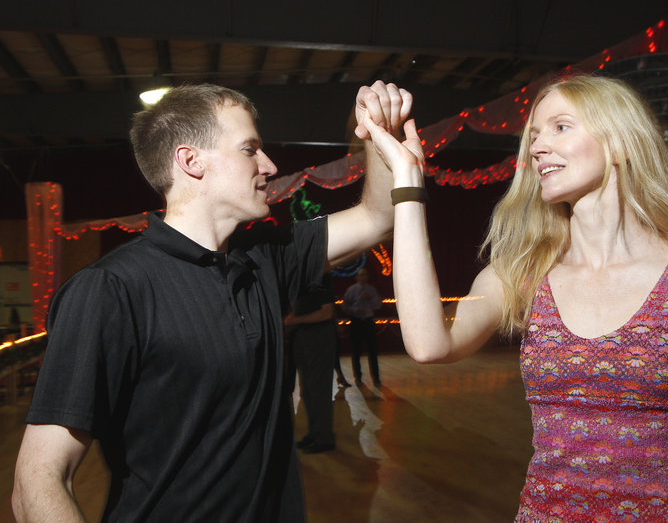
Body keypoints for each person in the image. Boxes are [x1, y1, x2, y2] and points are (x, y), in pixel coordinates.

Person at [361, 74, 668, 521]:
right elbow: (429, 344)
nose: (536, 147)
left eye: (560, 127)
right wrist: (408, 184)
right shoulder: (525, 274)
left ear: (621, 143)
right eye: (533, 136)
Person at [12, 81, 411, 522]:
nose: (269, 164)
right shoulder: (110, 289)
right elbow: (38, 481)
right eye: (249, 149)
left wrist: (377, 135)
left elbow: (379, 217)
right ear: (191, 161)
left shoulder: (266, 255)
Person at [285, 275, 338, 454]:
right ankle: (315, 434)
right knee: (308, 390)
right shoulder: (302, 279)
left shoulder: (318, 277)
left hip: (318, 338)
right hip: (304, 338)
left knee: (318, 390)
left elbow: (326, 312)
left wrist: (294, 321)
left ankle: (324, 438)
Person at [341, 267, 383, 385]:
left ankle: (376, 378)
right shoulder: (351, 290)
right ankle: (358, 377)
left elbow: (378, 305)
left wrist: (370, 298)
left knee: (373, 351)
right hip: (356, 321)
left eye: (365, 275)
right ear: (356, 277)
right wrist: (354, 310)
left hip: (368, 321)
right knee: (356, 351)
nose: (363, 277)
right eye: (361, 275)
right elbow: (344, 306)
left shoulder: (371, 290)